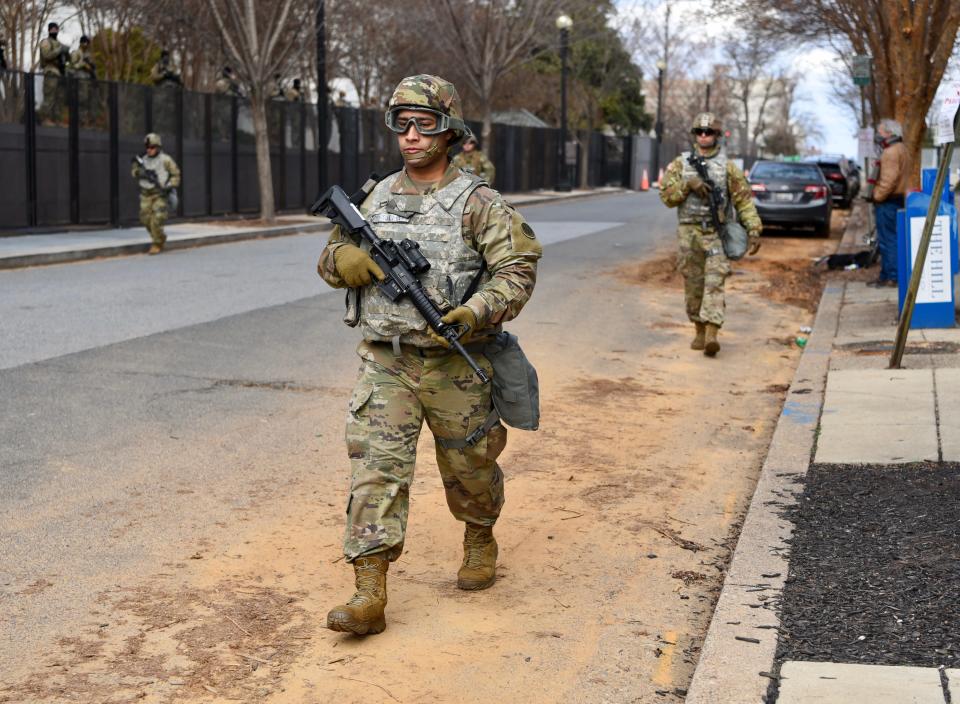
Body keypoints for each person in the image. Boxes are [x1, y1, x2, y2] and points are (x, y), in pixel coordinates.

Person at [316, 74, 542, 636]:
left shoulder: (479, 202)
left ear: (450, 131)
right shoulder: (373, 195)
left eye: (425, 124)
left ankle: (479, 534)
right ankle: (369, 590)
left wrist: (475, 312)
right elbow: (330, 257)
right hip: (385, 362)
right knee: (375, 470)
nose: (412, 136)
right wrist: (342, 261)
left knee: (470, 466)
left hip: (452, 364)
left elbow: (517, 270)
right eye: (401, 124)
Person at [659, 112, 762, 356]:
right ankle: (699, 329)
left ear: (717, 135)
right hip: (689, 234)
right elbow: (666, 197)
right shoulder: (680, 164)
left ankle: (712, 333)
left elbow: (744, 201)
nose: (704, 136)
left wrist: (754, 230)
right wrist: (687, 185)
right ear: (695, 135)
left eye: (709, 132)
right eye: (700, 132)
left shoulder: (728, 168)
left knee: (715, 282)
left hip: (716, 232)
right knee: (694, 285)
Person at [869, 119, 909, 287]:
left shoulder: (891, 152)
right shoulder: (901, 149)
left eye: (881, 132)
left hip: (888, 200)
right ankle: (887, 274)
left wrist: (877, 196)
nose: (878, 135)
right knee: (890, 238)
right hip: (897, 198)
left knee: (887, 239)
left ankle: (891, 276)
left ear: (889, 133)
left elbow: (889, 180)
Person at [131, 133, 180, 254]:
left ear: (158, 147)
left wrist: (169, 186)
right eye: (147, 147)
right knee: (145, 219)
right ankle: (160, 236)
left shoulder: (166, 160)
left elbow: (176, 175)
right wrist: (140, 173)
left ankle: (157, 243)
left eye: (152, 147)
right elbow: (134, 172)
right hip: (145, 194)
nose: (149, 150)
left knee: (157, 218)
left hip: (160, 194)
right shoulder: (142, 160)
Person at [38, 22, 69, 123]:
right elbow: (46, 55)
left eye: (56, 29)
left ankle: (57, 120)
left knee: (60, 98)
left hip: (61, 73)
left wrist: (66, 53)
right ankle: (44, 119)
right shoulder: (46, 42)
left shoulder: (59, 44)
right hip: (50, 71)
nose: (55, 31)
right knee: (49, 97)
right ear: (49, 30)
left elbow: (68, 60)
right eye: (53, 29)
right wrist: (59, 50)